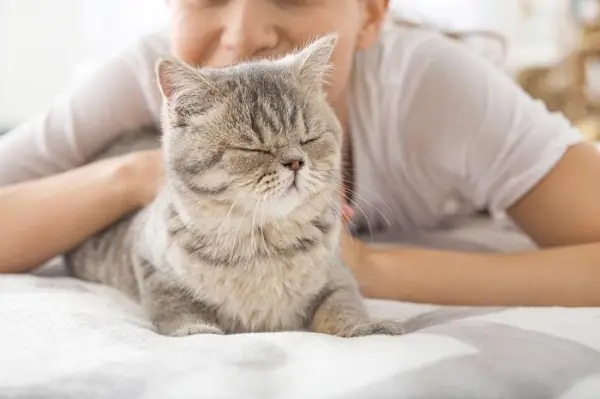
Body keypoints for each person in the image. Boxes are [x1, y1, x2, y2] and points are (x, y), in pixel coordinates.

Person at [1, 0, 600, 307]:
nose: (242, 35)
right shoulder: (162, 72)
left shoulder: (432, 89)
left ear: (368, 15)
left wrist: (366, 269)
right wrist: (139, 175)